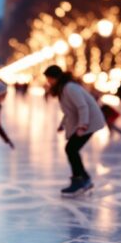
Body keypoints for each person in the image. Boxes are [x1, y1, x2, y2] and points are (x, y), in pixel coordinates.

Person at [44, 65, 105, 196]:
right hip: (86, 121)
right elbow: (69, 110)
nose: (48, 82)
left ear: (55, 78)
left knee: (71, 149)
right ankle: (85, 179)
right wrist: (62, 124)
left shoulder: (69, 88)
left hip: (90, 121)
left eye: (49, 79)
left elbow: (82, 106)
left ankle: (79, 181)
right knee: (71, 149)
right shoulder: (63, 88)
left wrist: (82, 126)